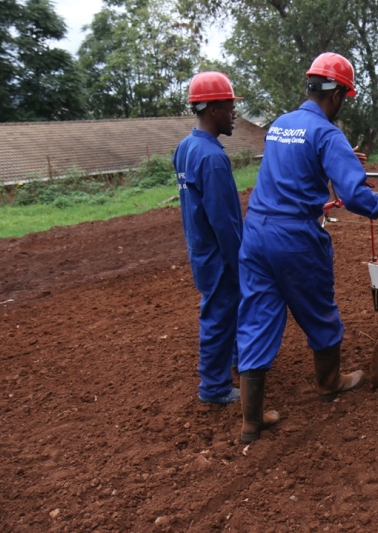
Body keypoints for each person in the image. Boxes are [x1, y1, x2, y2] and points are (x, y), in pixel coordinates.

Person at [235, 52, 378, 442]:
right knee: (319, 310)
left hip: (256, 233)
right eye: (344, 99)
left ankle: (251, 422)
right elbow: (354, 195)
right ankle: (330, 383)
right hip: (294, 238)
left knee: (256, 318)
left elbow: (295, 165)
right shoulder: (328, 134)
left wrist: (342, 159)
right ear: (336, 96)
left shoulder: (281, 124)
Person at [172, 71, 244, 405]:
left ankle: (236, 359)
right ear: (213, 110)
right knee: (218, 314)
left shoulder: (185, 147)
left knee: (225, 309)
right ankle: (214, 388)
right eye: (229, 106)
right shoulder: (213, 158)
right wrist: (240, 262)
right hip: (218, 252)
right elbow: (224, 221)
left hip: (199, 246)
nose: (234, 113)